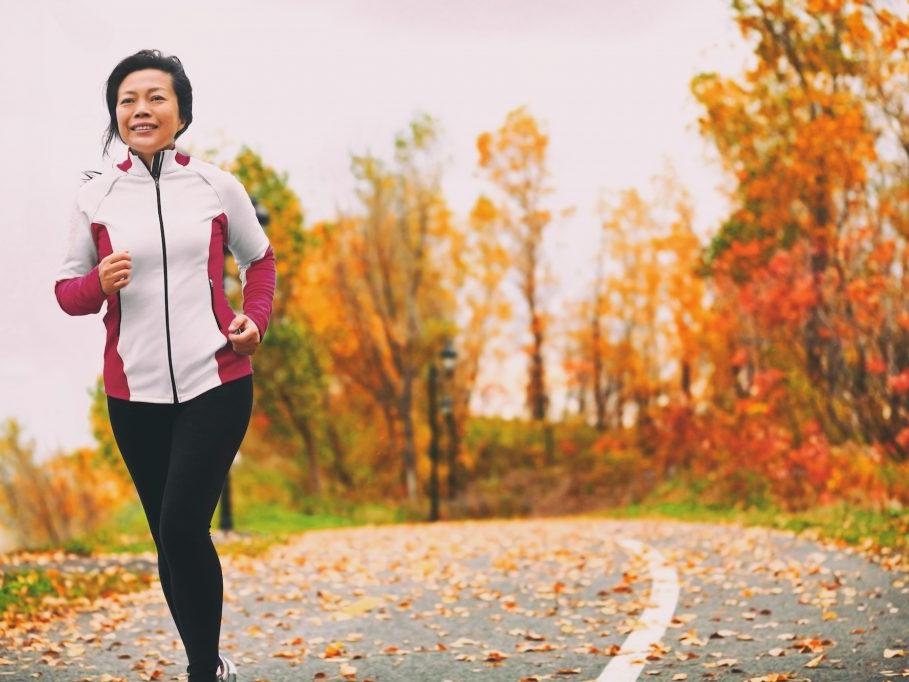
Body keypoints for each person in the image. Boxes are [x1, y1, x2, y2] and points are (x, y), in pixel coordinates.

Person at [53, 49, 276, 682]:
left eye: (155, 97)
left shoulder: (214, 184)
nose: (141, 109)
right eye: (128, 99)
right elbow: (68, 292)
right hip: (134, 393)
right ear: (115, 115)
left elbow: (258, 261)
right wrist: (99, 283)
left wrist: (253, 322)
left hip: (217, 380)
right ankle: (208, 661)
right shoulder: (95, 196)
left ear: (180, 111)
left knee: (183, 523)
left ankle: (205, 670)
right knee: (169, 539)